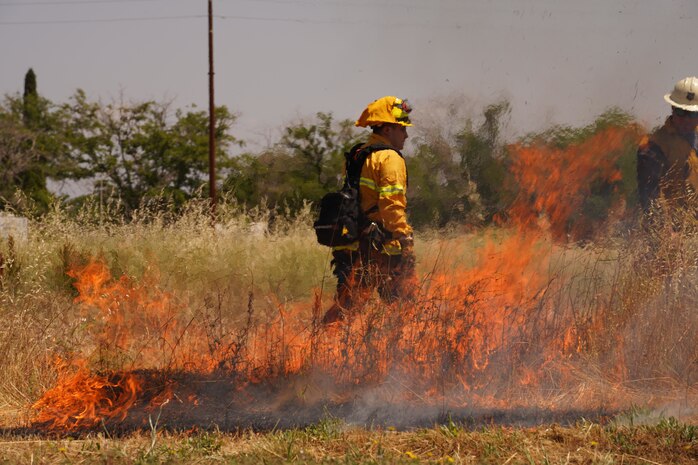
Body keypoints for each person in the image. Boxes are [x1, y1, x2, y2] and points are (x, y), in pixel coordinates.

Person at [322, 96, 417, 324]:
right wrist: (405, 240)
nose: (406, 135)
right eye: (401, 128)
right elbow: (392, 207)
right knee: (405, 309)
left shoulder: (359, 154)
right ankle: (403, 354)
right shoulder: (390, 158)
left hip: (353, 243)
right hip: (384, 248)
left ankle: (320, 346)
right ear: (387, 129)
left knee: (346, 306)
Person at [637, 76, 698, 215]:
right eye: (681, 112)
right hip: (676, 226)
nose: (686, 119)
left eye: (693, 113)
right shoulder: (652, 146)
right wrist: (665, 230)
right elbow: (649, 196)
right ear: (672, 108)